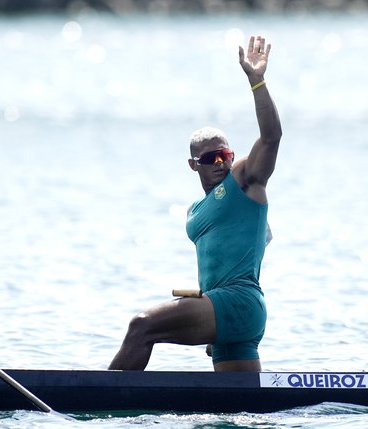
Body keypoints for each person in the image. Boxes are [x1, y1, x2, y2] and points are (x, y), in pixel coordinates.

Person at [108, 35, 282, 372]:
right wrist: (209, 323)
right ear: (193, 164)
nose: (220, 162)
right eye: (211, 157)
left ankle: (90, 407)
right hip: (222, 312)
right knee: (241, 411)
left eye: (226, 155)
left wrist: (256, 81)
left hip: (238, 302)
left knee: (141, 326)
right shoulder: (195, 210)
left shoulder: (245, 180)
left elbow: (272, 137)